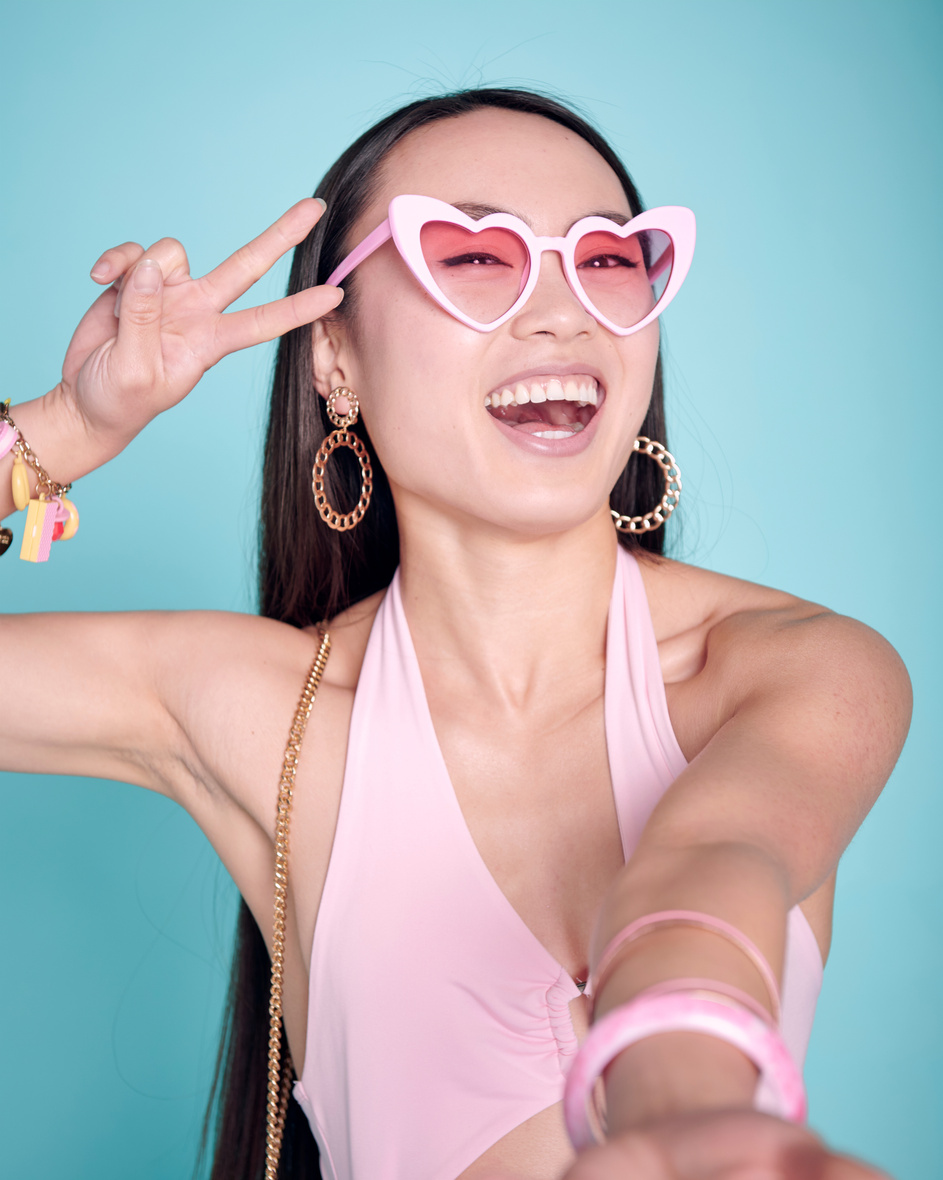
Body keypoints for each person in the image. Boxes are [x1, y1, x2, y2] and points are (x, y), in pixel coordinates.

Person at [0, 88, 910, 1180]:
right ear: (333, 354)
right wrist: (60, 432)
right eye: (474, 256)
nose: (561, 308)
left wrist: (682, 1111)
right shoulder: (260, 713)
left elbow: (706, 875)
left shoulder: (794, 668)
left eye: (609, 258)